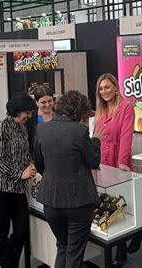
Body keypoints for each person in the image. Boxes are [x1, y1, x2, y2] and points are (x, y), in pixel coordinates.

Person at [34, 90, 101, 268]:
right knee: (74, 253)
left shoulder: (41, 129)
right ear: (80, 111)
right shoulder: (79, 131)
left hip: (50, 201)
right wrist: (96, 141)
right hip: (78, 201)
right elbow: (94, 162)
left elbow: (39, 165)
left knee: (62, 246)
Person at [0, 92, 37, 268]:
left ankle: (6, 264)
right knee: (2, 232)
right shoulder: (0, 128)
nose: (29, 117)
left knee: (21, 231)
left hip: (18, 190)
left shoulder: (22, 129)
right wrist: (19, 174)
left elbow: (25, 153)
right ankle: (10, 265)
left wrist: (31, 165)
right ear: (17, 111)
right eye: (27, 113)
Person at [94, 73, 136, 263]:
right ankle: (118, 244)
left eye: (107, 87)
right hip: (102, 161)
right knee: (106, 204)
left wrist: (122, 165)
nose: (104, 91)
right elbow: (95, 138)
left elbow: (126, 138)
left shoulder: (126, 108)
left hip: (119, 160)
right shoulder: (100, 110)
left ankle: (121, 250)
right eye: (101, 89)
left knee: (120, 204)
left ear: (116, 87)